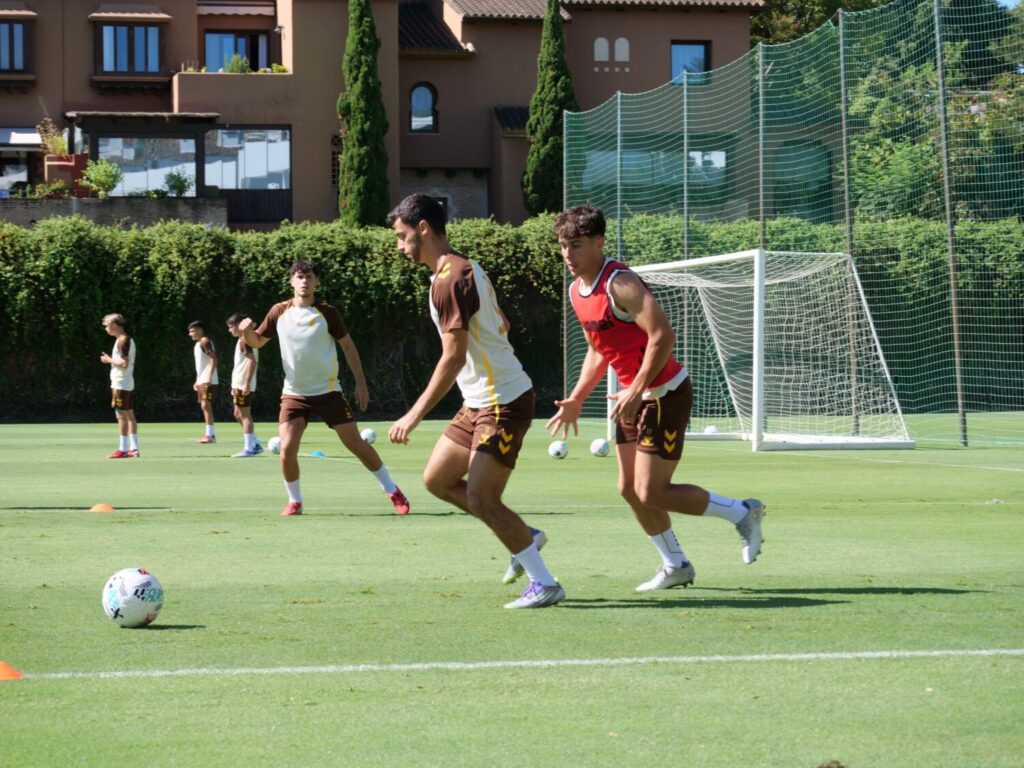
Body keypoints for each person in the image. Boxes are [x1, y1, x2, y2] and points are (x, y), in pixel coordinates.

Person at [548, 204, 765, 592]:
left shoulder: (621, 282)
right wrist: (578, 398)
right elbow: (598, 350)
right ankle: (676, 565)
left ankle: (742, 512)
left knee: (652, 491)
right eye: (563, 246)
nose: (568, 255)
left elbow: (663, 335)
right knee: (629, 489)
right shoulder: (576, 291)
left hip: (664, 393)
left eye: (577, 245)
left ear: (599, 243)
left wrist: (636, 388)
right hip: (633, 397)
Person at [387, 193, 563, 609]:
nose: (399, 245)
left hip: (503, 402)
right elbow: (500, 321)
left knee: (483, 498)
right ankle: (525, 536)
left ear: (423, 229)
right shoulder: (457, 269)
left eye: (401, 236)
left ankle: (545, 583)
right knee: (437, 480)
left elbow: (452, 357)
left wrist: (413, 415)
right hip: (479, 401)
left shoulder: (451, 278)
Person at [237, 260, 410, 517]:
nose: (304, 281)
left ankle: (393, 490)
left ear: (316, 281)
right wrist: (244, 332)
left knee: (356, 445)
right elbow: (257, 341)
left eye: (309, 276)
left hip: (329, 393)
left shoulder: (328, 313)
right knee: (286, 449)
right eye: (299, 276)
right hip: (294, 394)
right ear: (291, 281)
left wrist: (361, 384)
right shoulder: (278, 311)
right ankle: (294, 501)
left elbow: (349, 347)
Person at [99, 313, 139, 459]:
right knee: (129, 415)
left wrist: (109, 360)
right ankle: (133, 448)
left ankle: (122, 449)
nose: (106, 329)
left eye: (107, 326)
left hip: (121, 382)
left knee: (121, 416)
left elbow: (124, 363)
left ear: (114, 324)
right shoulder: (124, 340)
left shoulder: (122, 340)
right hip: (126, 382)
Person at [226, 312, 263, 458]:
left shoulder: (245, 340)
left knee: (245, 415)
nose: (230, 330)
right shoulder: (246, 339)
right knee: (237, 414)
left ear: (239, 325)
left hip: (242, 384)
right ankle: (255, 444)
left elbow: (252, 361)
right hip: (238, 383)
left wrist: (246, 384)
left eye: (231, 327)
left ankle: (249, 448)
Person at [187, 320, 218, 444]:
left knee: (206, 405)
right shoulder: (198, 344)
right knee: (204, 406)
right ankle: (209, 434)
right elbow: (202, 365)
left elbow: (214, 359)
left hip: (207, 380)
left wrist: (209, 377)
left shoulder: (205, 342)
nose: (190, 334)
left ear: (200, 330)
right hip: (202, 380)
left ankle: (210, 435)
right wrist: (197, 380)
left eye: (192, 331)